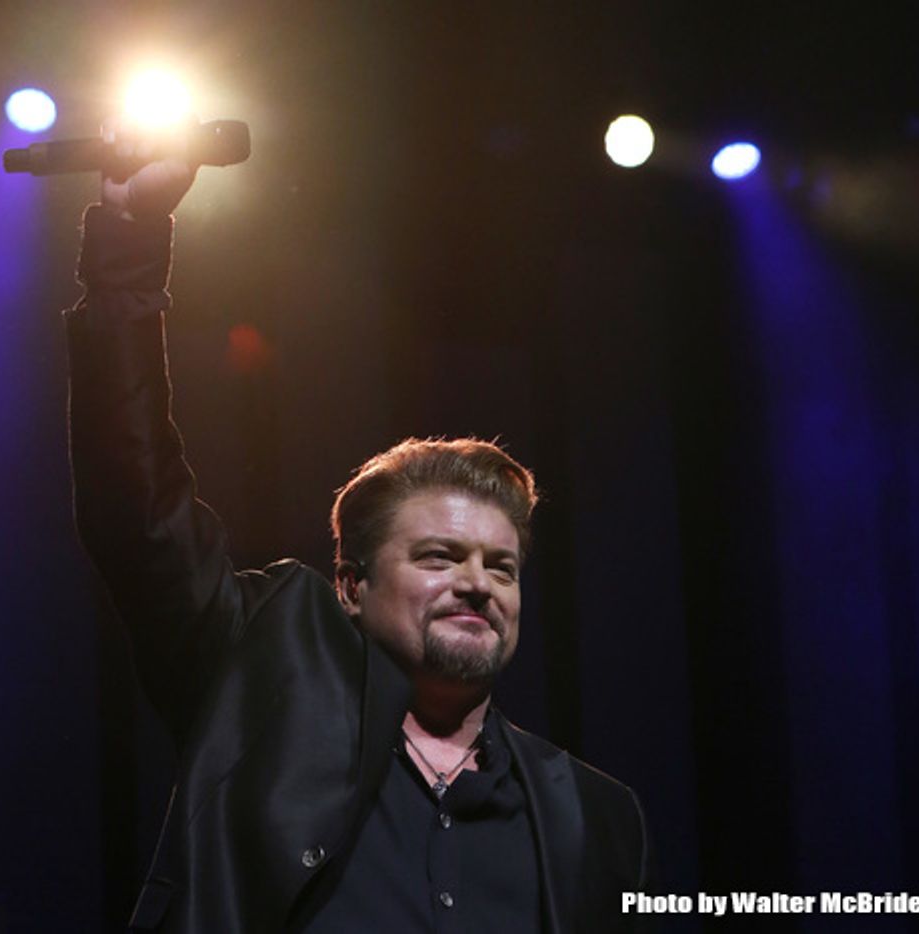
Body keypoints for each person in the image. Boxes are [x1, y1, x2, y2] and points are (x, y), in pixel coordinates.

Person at [66, 125, 653, 933]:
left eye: (502, 566)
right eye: (441, 557)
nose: (479, 583)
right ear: (350, 585)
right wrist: (129, 248)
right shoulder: (262, 678)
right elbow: (139, 510)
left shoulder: (594, 816)